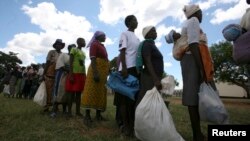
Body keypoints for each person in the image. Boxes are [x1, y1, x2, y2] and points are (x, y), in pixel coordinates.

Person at [181, 4, 209, 141]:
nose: (202, 15)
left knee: (194, 98)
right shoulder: (193, 21)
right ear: (195, 13)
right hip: (192, 60)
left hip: (191, 60)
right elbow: (193, 44)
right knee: (192, 98)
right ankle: (197, 134)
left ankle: (198, 133)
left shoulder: (191, 22)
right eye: (201, 12)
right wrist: (201, 68)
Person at [115, 15, 140, 136]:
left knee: (133, 99)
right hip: (126, 69)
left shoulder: (137, 38)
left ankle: (132, 124)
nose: (137, 21)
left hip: (135, 69)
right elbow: (122, 51)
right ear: (129, 23)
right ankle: (125, 126)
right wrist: (123, 67)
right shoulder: (124, 34)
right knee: (124, 99)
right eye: (134, 20)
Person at [81, 31, 110, 126]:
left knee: (100, 92)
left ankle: (98, 115)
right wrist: (95, 73)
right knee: (90, 91)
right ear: (98, 36)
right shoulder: (94, 44)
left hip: (103, 71)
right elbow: (93, 59)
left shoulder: (102, 46)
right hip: (96, 70)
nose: (105, 37)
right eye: (104, 36)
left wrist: (108, 69)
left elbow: (105, 59)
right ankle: (87, 116)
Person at [135, 26, 163, 106]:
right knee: (144, 100)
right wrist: (155, 79)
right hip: (149, 77)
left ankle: (148, 118)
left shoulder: (151, 44)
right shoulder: (147, 44)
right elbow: (148, 62)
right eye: (153, 31)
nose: (156, 32)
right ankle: (139, 117)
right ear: (147, 34)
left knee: (150, 101)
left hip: (153, 77)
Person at [50, 44, 76, 118]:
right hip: (62, 75)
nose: (74, 49)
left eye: (75, 48)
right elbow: (60, 65)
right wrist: (68, 70)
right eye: (72, 48)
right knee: (58, 91)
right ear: (69, 49)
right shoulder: (63, 55)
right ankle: (54, 110)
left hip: (70, 75)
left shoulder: (74, 57)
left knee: (67, 92)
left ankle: (65, 110)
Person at [66, 39, 86, 117]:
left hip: (81, 74)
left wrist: (85, 74)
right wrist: (71, 74)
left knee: (78, 94)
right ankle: (69, 112)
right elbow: (71, 62)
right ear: (78, 42)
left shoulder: (83, 53)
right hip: (74, 73)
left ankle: (78, 112)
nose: (84, 43)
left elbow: (82, 63)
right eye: (83, 41)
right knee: (71, 93)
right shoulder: (74, 49)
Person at [43, 39, 64, 112]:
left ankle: (55, 107)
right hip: (50, 72)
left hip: (59, 73)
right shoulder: (51, 52)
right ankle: (46, 107)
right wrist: (44, 73)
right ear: (55, 45)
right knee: (48, 89)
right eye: (58, 44)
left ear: (62, 46)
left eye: (60, 44)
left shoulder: (62, 54)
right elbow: (48, 62)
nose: (59, 45)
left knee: (57, 90)